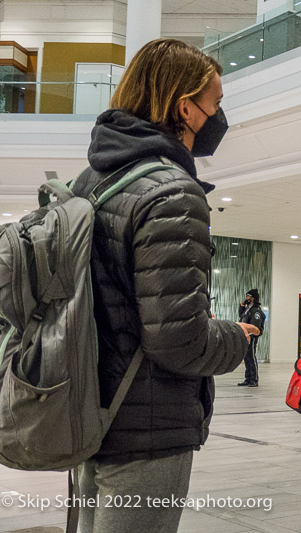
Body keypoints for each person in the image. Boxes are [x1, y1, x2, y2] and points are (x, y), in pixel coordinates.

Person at [71, 38, 258, 533]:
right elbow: (178, 341)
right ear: (185, 109)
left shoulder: (87, 181)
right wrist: (237, 336)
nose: (219, 116)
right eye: (214, 103)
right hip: (145, 427)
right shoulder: (172, 192)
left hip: (86, 411)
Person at [237, 288, 266, 386]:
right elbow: (242, 317)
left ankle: (254, 379)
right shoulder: (247, 308)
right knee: (246, 357)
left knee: (251, 357)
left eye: (248, 296)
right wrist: (241, 307)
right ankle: (248, 378)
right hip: (245, 336)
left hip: (251, 337)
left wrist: (252, 334)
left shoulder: (256, 311)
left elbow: (255, 325)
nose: (246, 298)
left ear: (253, 298)